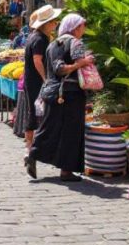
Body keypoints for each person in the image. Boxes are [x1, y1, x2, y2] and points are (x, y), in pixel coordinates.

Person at [27, 13, 94, 182]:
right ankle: (66, 170)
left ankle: (33, 154)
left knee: (50, 128)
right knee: (71, 132)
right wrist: (83, 62)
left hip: (52, 92)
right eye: (82, 26)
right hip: (70, 93)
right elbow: (60, 69)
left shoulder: (52, 44)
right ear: (75, 27)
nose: (83, 30)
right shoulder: (75, 43)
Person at [16, 6, 61, 168]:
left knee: (34, 113)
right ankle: (31, 151)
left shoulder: (35, 37)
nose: (55, 24)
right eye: (54, 22)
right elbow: (37, 60)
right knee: (37, 114)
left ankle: (29, 149)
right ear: (47, 24)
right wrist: (46, 79)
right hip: (36, 82)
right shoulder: (40, 39)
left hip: (31, 80)